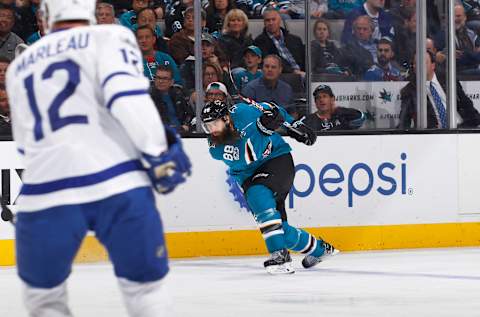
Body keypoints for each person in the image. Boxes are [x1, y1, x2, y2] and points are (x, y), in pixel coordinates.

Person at [5, 1, 192, 316]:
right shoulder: (110, 37)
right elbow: (126, 98)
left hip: (44, 191)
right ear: (90, 11)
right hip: (115, 181)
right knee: (146, 291)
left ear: (45, 16)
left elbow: (24, 145)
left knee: (44, 301)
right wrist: (159, 154)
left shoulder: (20, 65)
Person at [200, 98, 337, 274]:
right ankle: (321, 250)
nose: (211, 130)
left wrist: (292, 124)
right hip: (249, 174)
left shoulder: (242, 111)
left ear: (227, 119)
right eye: (207, 126)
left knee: (257, 195)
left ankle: (280, 256)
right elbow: (248, 156)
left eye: (213, 124)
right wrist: (262, 129)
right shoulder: (215, 146)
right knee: (281, 231)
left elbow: (272, 107)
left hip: (277, 160)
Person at [398, 51, 480, 129]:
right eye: (415, 63)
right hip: (434, 134)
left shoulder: (448, 80)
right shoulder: (409, 91)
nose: (419, 66)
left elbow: (466, 104)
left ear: (433, 65)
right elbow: (404, 121)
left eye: (423, 62)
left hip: (461, 128)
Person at [253, 8, 305, 75]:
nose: (271, 23)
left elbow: (305, 59)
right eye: (267, 20)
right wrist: (294, 72)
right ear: (264, 23)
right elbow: (271, 63)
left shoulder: (295, 39)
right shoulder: (260, 41)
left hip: (303, 74)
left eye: (273, 19)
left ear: (279, 20)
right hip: (282, 75)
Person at [150, 65, 194, 134]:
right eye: (158, 78)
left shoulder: (179, 94)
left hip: (182, 135)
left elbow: (190, 115)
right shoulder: (148, 98)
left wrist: (186, 125)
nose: (161, 81)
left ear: (172, 82)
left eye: (165, 78)